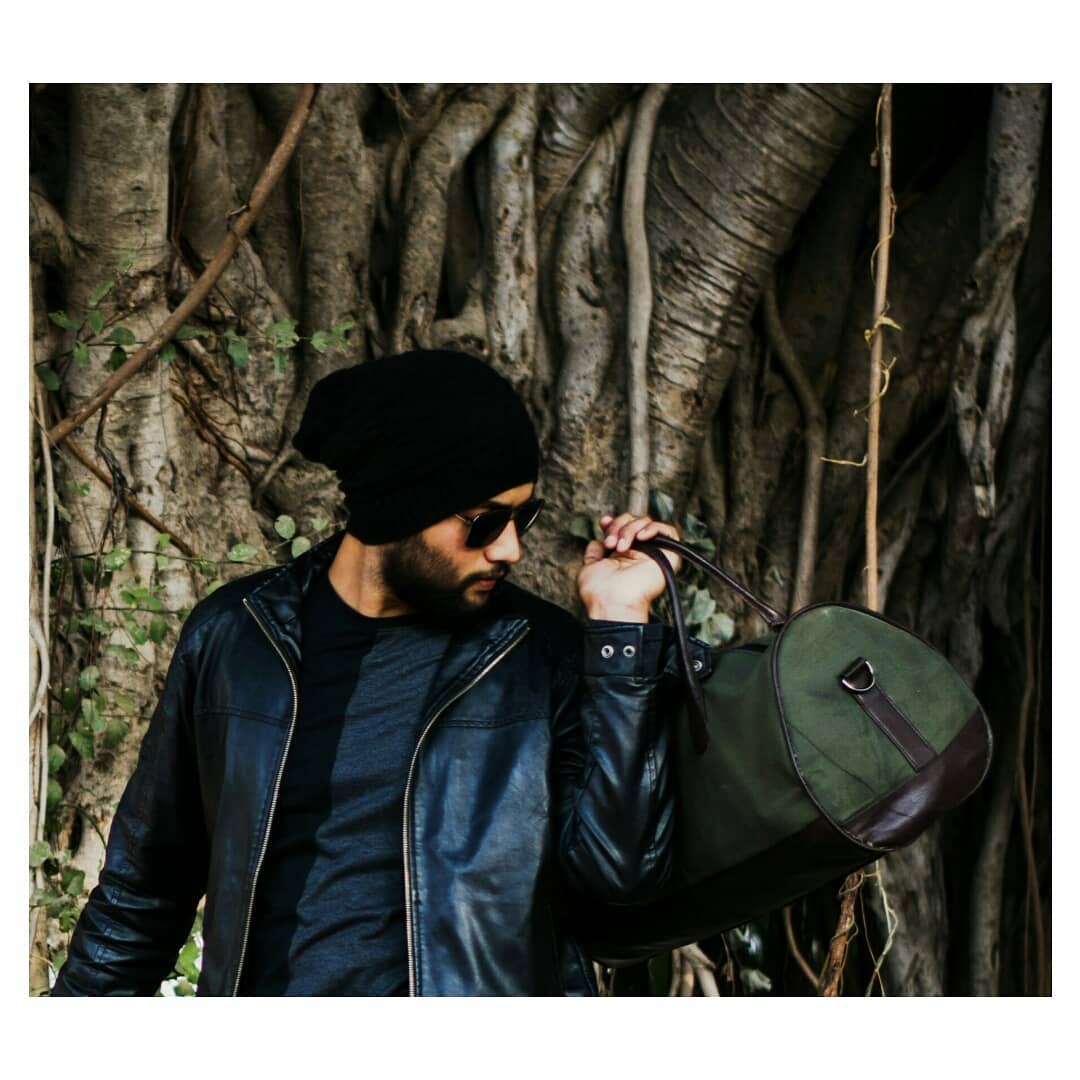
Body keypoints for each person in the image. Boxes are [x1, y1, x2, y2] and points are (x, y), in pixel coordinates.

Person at [53, 349, 700, 997]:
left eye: (521, 517)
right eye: (484, 522)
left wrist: (622, 625)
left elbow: (623, 883)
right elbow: (143, 892)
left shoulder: (541, 656)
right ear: (398, 505)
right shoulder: (235, 639)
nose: (511, 548)